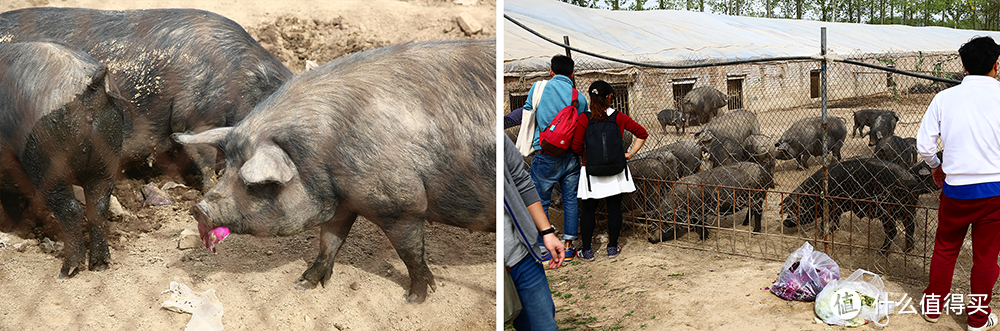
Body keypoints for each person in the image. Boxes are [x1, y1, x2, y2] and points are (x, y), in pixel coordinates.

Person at [917, 36, 1000, 331]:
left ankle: (932, 307)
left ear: (963, 66)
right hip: (995, 193)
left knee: (945, 248)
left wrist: (936, 168)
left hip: (956, 191)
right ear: (996, 65)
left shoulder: (944, 98)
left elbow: (924, 146)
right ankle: (978, 319)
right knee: (986, 258)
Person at [570, 80, 647, 261]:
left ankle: (587, 250)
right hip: (616, 170)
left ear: (591, 97)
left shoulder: (584, 118)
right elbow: (642, 133)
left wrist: (589, 155)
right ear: (610, 97)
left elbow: (576, 147)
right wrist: (629, 153)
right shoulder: (618, 116)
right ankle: (612, 247)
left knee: (589, 210)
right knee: (614, 208)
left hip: (590, 172)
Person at [523, 55, 588, 261]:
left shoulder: (539, 88)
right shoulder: (580, 97)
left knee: (540, 200)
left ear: (551, 71)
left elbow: (526, 113)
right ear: (572, 74)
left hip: (546, 154)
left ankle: (543, 247)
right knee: (570, 199)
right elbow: (582, 124)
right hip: (570, 156)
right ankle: (569, 246)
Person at [504, 134, 566, 331]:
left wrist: (547, 232)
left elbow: (520, 179)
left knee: (544, 326)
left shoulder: (496, 134)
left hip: (521, 255)